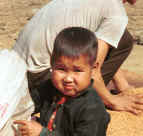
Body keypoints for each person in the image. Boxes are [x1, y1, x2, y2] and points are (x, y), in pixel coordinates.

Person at [0, 27, 110, 136]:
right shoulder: (50, 87)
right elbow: (28, 104)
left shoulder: (93, 109)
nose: (67, 78)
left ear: (93, 68)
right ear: (51, 63)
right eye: (61, 69)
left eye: (77, 71)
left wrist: (42, 135)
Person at [12, 0, 143, 115]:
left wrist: (124, 87)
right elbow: (93, 70)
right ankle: (73, 101)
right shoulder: (116, 14)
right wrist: (112, 101)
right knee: (123, 38)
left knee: (122, 37)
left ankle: (119, 85)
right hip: (41, 79)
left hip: (16, 69)